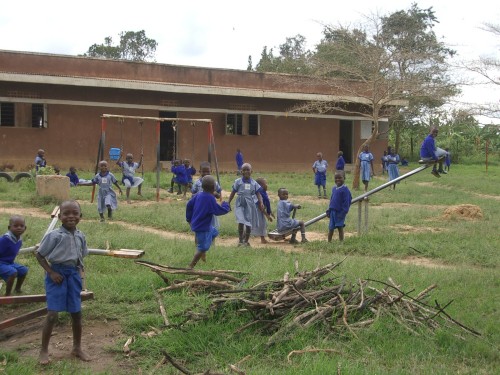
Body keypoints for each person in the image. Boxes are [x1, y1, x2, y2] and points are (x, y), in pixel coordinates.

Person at [35, 200, 90, 365]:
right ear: (60, 217)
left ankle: (77, 348)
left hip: (72, 275)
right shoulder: (54, 236)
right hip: (56, 276)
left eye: (75, 213)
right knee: (52, 314)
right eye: (66, 213)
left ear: (80, 216)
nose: (71, 216)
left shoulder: (81, 236)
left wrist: (79, 273)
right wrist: (51, 272)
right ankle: (43, 351)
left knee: (76, 313)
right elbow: (39, 255)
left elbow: (82, 255)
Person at [186, 176, 230, 268]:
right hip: (202, 226)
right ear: (213, 187)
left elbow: (189, 205)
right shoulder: (210, 199)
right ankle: (191, 265)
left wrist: (189, 219)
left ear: (202, 186)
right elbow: (218, 211)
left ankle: (203, 250)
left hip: (200, 224)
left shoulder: (199, 194)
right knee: (202, 247)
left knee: (215, 232)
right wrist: (226, 206)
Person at [227, 163, 264, 247]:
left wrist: (261, 203)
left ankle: (246, 241)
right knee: (240, 221)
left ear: (251, 171)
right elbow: (233, 192)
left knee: (248, 223)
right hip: (240, 203)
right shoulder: (238, 182)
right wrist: (228, 202)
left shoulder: (254, 183)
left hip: (250, 204)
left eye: (248, 170)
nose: (246, 171)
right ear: (241, 171)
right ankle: (240, 240)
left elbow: (258, 194)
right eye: (244, 170)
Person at [0, 215, 28, 296]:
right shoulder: (4, 240)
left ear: (25, 228)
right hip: (1, 262)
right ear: (9, 227)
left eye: (21, 226)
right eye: (15, 226)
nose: (19, 228)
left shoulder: (19, 240)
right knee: (12, 272)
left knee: (24, 270)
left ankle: (17, 289)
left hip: (9, 262)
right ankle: (7, 295)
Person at [326, 171, 352, 242]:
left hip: (340, 212)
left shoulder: (345, 190)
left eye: (340, 178)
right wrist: (329, 210)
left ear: (344, 178)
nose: (338, 180)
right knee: (331, 228)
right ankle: (329, 242)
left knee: (340, 227)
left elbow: (347, 202)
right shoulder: (334, 188)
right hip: (332, 212)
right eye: (336, 178)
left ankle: (341, 242)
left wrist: (343, 212)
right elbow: (332, 199)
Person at [251, 177, 274, 244]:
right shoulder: (259, 193)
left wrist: (270, 212)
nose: (267, 185)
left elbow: (267, 203)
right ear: (260, 186)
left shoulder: (263, 192)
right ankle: (262, 239)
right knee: (261, 224)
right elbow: (260, 206)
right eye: (265, 183)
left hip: (260, 211)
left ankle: (261, 238)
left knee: (262, 224)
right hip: (258, 211)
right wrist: (267, 215)